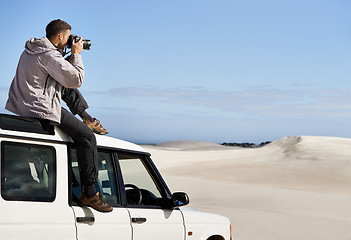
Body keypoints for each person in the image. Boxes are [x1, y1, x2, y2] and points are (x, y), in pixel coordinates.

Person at [5, 19, 112, 212]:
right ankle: (89, 193)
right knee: (87, 137)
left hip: (22, 105)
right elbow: (76, 79)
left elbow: (61, 76)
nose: (71, 39)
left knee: (64, 87)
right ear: (61, 36)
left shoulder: (31, 50)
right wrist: (76, 55)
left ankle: (87, 118)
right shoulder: (49, 56)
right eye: (68, 36)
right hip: (40, 108)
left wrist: (67, 53)